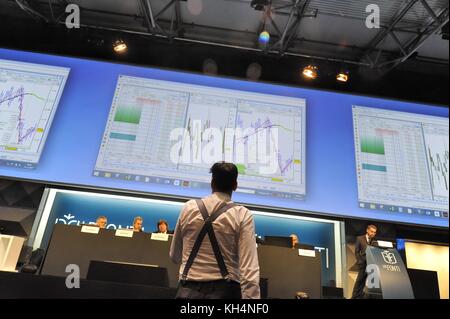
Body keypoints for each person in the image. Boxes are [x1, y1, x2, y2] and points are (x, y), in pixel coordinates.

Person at [170, 162, 260, 299]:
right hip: (225, 292)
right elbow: (249, 269)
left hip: (187, 291)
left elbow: (174, 256)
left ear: (212, 183)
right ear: (235, 185)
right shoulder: (242, 215)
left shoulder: (189, 208)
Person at [351, 224, 377, 299]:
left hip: (370, 264)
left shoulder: (373, 241)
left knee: (364, 281)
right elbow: (356, 251)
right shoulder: (360, 238)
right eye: (372, 231)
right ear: (367, 230)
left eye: (374, 232)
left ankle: (359, 296)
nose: (373, 234)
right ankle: (354, 296)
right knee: (359, 281)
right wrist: (360, 261)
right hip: (362, 263)